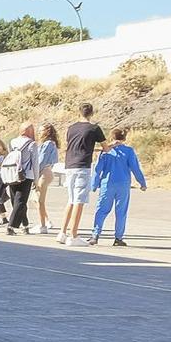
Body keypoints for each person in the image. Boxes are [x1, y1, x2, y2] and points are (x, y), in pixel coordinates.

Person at [86, 129, 148, 246]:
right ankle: (118, 238)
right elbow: (135, 168)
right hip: (123, 184)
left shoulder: (106, 151)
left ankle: (95, 235)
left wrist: (94, 184)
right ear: (124, 138)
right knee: (121, 211)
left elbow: (98, 168)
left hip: (107, 184)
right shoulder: (129, 151)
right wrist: (142, 183)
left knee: (101, 210)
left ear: (111, 137)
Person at [58, 103, 105, 245]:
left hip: (70, 164)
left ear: (79, 112)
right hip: (82, 165)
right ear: (92, 113)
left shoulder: (71, 128)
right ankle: (73, 234)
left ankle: (62, 232)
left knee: (71, 199)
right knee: (79, 200)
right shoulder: (94, 128)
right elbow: (106, 147)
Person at [0, 124, 39, 235]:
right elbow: (35, 162)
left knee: (16, 201)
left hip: (12, 174)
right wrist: (36, 179)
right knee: (21, 201)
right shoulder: (32, 144)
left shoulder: (12, 142)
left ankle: (25, 224)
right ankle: (11, 226)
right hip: (26, 176)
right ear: (29, 131)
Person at [33, 123, 60, 233]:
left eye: (41, 130)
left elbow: (42, 160)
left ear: (47, 131)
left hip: (44, 172)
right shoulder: (48, 143)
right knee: (35, 198)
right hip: (45, 171)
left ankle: (43, 225)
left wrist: (35, 174)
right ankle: (46, 220)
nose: (39, 133)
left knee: (40, 199)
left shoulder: (48, 144)